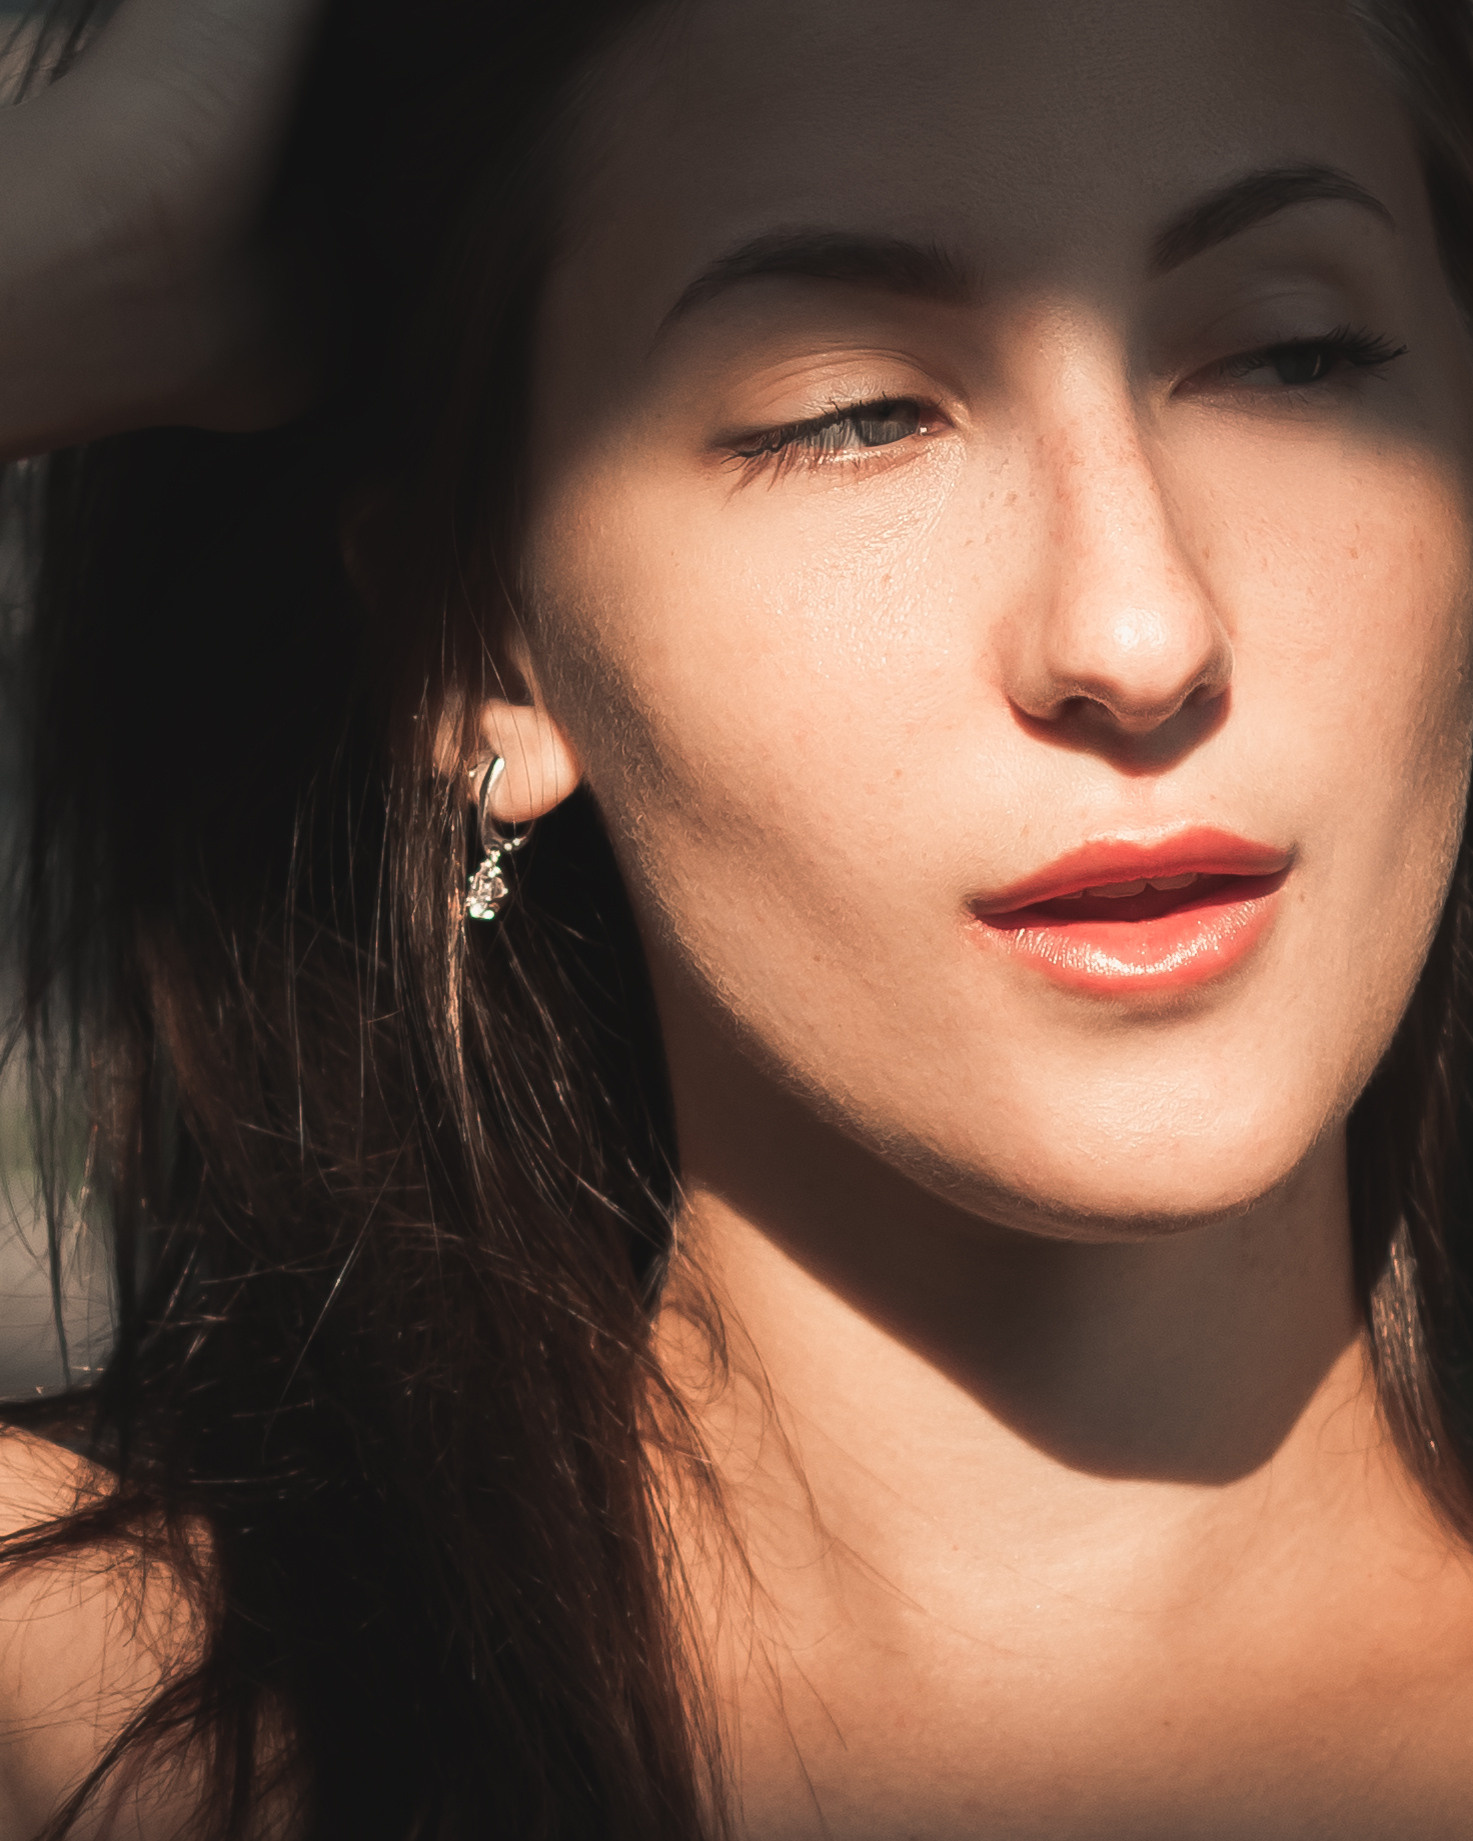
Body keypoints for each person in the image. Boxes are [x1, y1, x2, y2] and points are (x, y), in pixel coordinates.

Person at [3, 0, 1473, 1833]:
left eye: (1291, 354)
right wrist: (75, 245)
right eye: (850, 413)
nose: (1135, 631)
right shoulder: (86, 1720)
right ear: (482, 648)